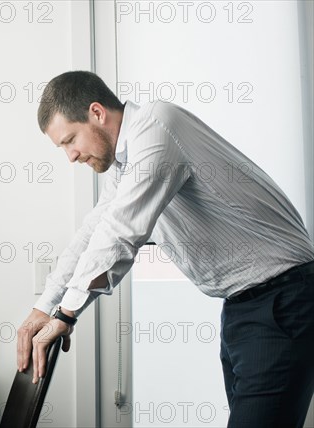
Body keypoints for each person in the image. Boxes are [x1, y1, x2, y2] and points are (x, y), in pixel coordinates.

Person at [16, 71, 314, 427]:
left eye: (70, 140)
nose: (71, 156)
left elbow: (120, 235)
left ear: (96, 113)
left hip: (282, 300)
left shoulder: (157, 127)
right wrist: (43, 306)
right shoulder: (126, 163)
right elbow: (93, 233)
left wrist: (64, 316)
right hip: (242, 308)